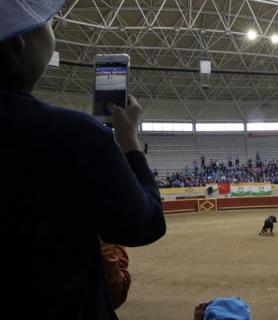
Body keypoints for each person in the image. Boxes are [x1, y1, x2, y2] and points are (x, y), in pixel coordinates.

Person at [0, 1, 166, 319]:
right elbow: (145, 225)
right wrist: (129, 142)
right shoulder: (74, 134)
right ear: (19, 41)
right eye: (47, 24)